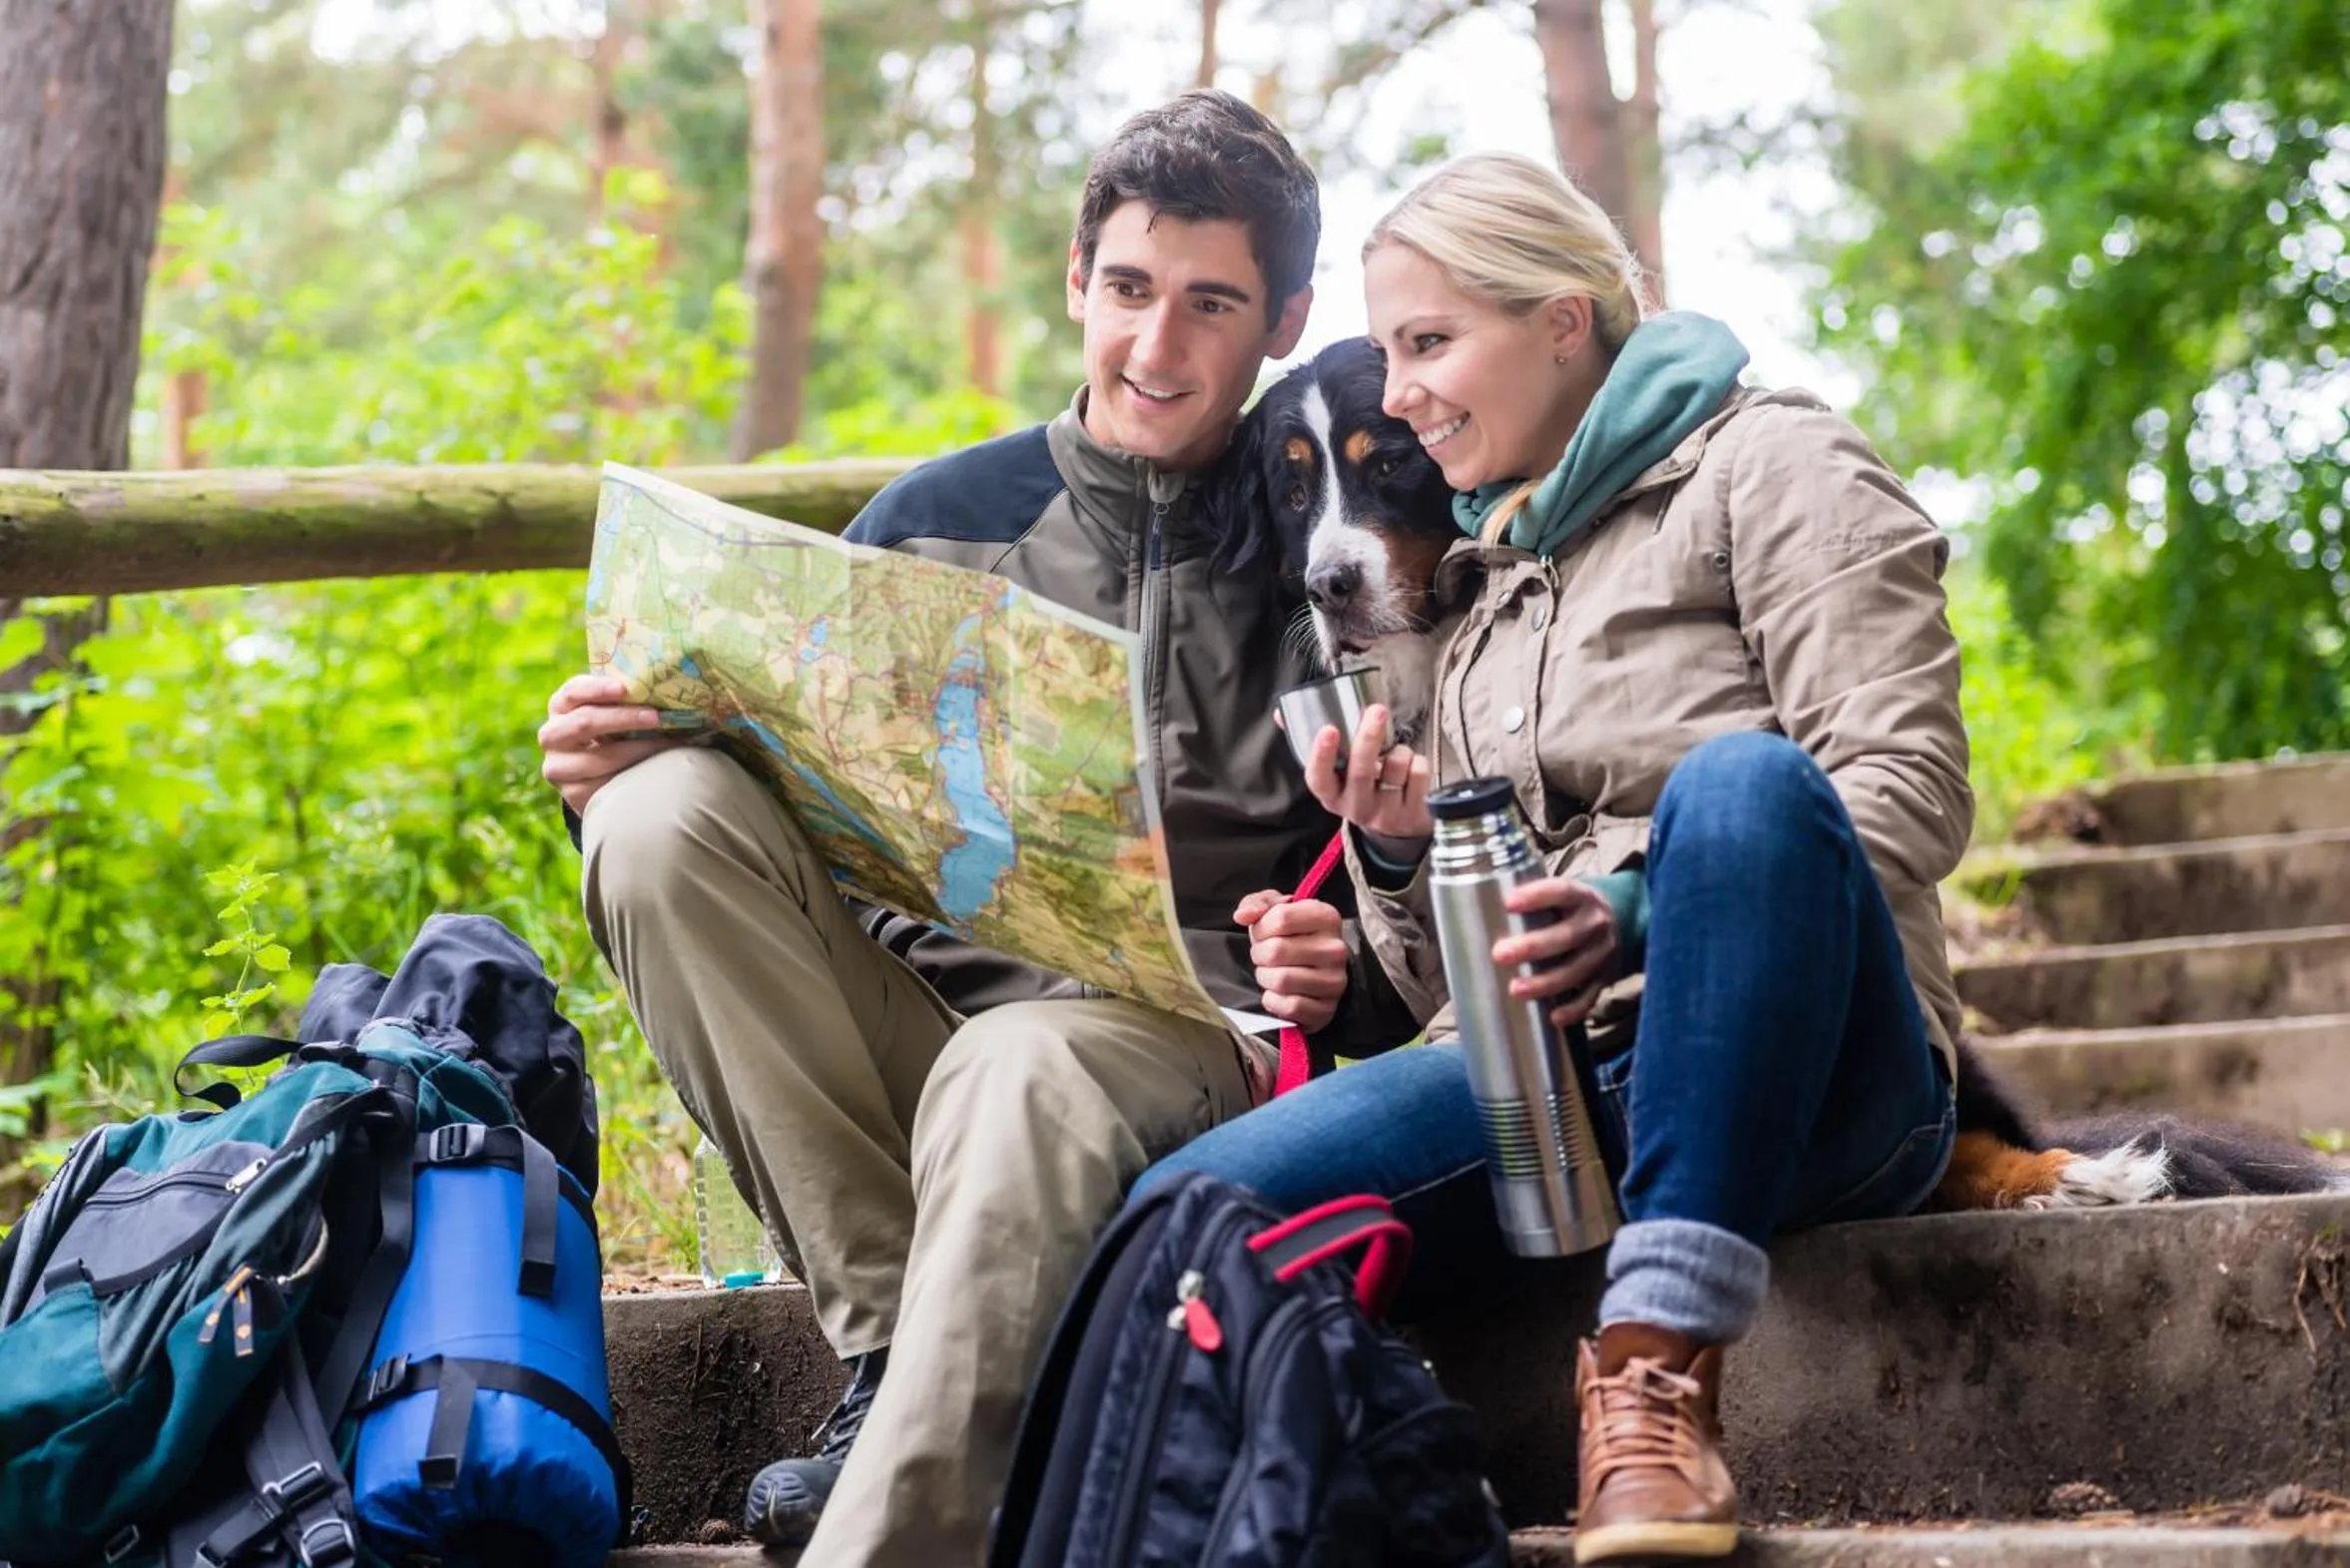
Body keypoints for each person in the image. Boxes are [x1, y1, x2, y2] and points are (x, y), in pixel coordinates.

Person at [536, 91, 1415, 1567]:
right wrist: (610, 759)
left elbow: (1407, 901)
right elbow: (776, 824)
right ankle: (896, 1355)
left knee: (1026, 1060)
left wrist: (1346, 968)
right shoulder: (928, 523)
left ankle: (905, 1489)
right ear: (1075, 281)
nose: (1155, 345)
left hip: (1177, 1049)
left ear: (1283, 320)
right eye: (1127, 288)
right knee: (655, 815)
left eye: (1210, 305)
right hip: (920, 1033)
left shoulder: (1323, 546)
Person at [1133, 151, 1974, 1566]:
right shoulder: (1472, 582)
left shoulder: (1771, 462)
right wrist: (1397, 851)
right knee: (1187, 1214)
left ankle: (1652, 1372)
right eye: (1390, 350)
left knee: (1741, 785)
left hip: (1819, 1068)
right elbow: (1446, 982)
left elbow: (1907, 786)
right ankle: (1365, 1488)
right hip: (1556, 1097)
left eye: (1427, 344)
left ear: (1564, 321)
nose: (1401, 392)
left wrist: (1637, 910)